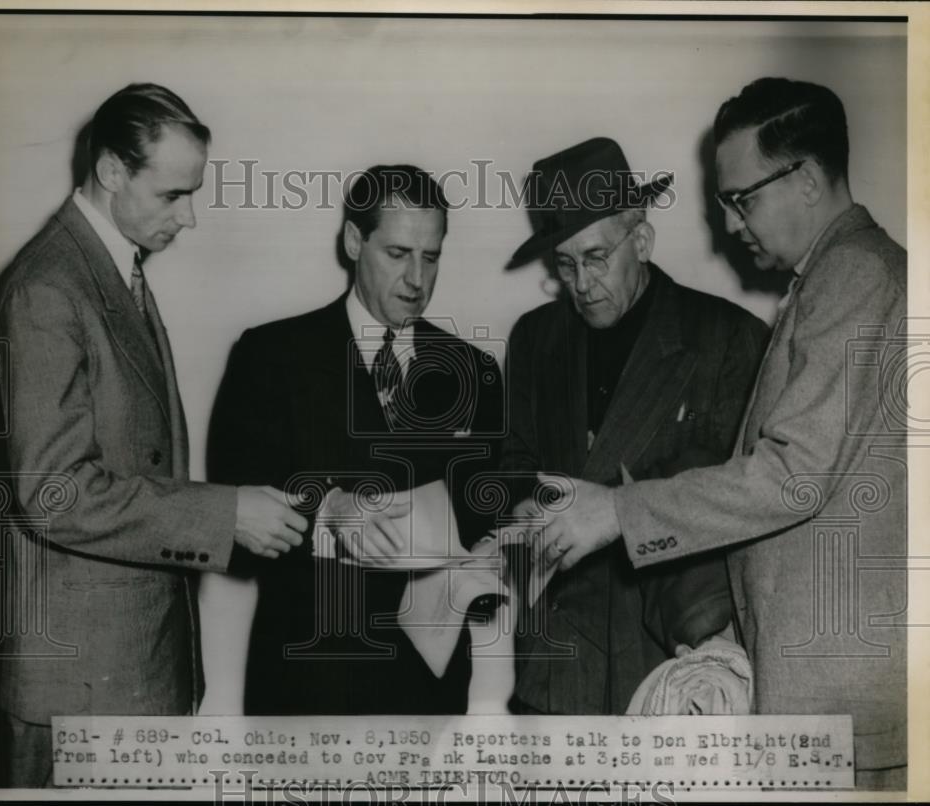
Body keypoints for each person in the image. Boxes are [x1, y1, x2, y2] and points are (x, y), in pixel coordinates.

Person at [526, 80, 907, 789]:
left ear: (807, 179)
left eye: (742, 199)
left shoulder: (854, 272)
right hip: (819, 686)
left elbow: (791, 475)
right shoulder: (838, 275)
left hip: (835, 690)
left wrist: (617, 512)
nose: (730, 224)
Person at [0, 83, 307, 787]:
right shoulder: (47, 288)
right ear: (110, 170)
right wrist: (224, 514)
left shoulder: (109, 266)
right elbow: (55, 493)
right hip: (79, 689)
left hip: (129, 673)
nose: (188, 216)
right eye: (172, 195)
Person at [206, 164, 504, 715]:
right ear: (352, 240)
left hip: (428, 695)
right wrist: (328, 513)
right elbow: (229, 520)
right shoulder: (270, 357)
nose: (417, 279)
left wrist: (496, 547)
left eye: (431, 257)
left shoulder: (475, 370)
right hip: (304, 687)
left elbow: (486, 510)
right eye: (397, 253)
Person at [502, 137, 768, 714]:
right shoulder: (533, 339)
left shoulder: (730, 340)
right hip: (551, 671)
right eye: (565, 264)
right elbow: (515, 463)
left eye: (596, 257)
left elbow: (747, 506)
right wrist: (521, 510)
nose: (581, 284)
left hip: (668, 677)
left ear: (641, 241)